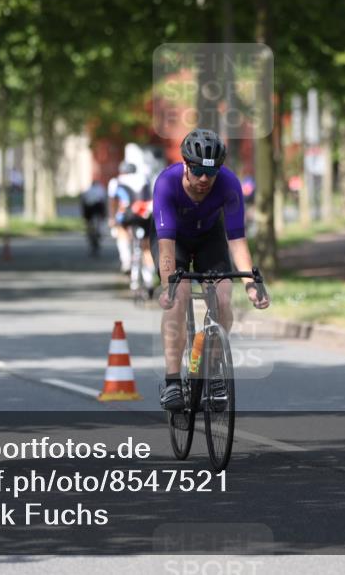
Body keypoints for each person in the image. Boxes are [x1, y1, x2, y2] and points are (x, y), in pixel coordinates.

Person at [152, 129, 270, 410]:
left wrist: (250, 284)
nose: (204, 179)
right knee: (178, 299)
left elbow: (237, 240)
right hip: (174, 240)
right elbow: (166, 249)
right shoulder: (166, 184)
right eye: (197, 171)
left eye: (211, 172)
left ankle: (213, 370)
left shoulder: (229, 184)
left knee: (223, 298)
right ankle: (171, 382)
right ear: (185, 165)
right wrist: (167, 285)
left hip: (209, 237)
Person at [114, 162, 154, 297]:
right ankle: (150, 279)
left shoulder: (119, 180)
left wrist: (113, 218)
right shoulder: (144, 178)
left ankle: (126, 260)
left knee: (121, 230)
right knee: (146, 248)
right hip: (145, 213)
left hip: (129, 214)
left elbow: (118, 201)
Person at [79, 180, 107, 256]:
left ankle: (91, 232)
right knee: (98, 224)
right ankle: (97, 233)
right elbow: (104, 202)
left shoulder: (87, 190)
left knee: (90, 225)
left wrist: (84, 215)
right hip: (97, 209)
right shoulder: (101, 189)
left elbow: (83, 201)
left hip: (90, 210)